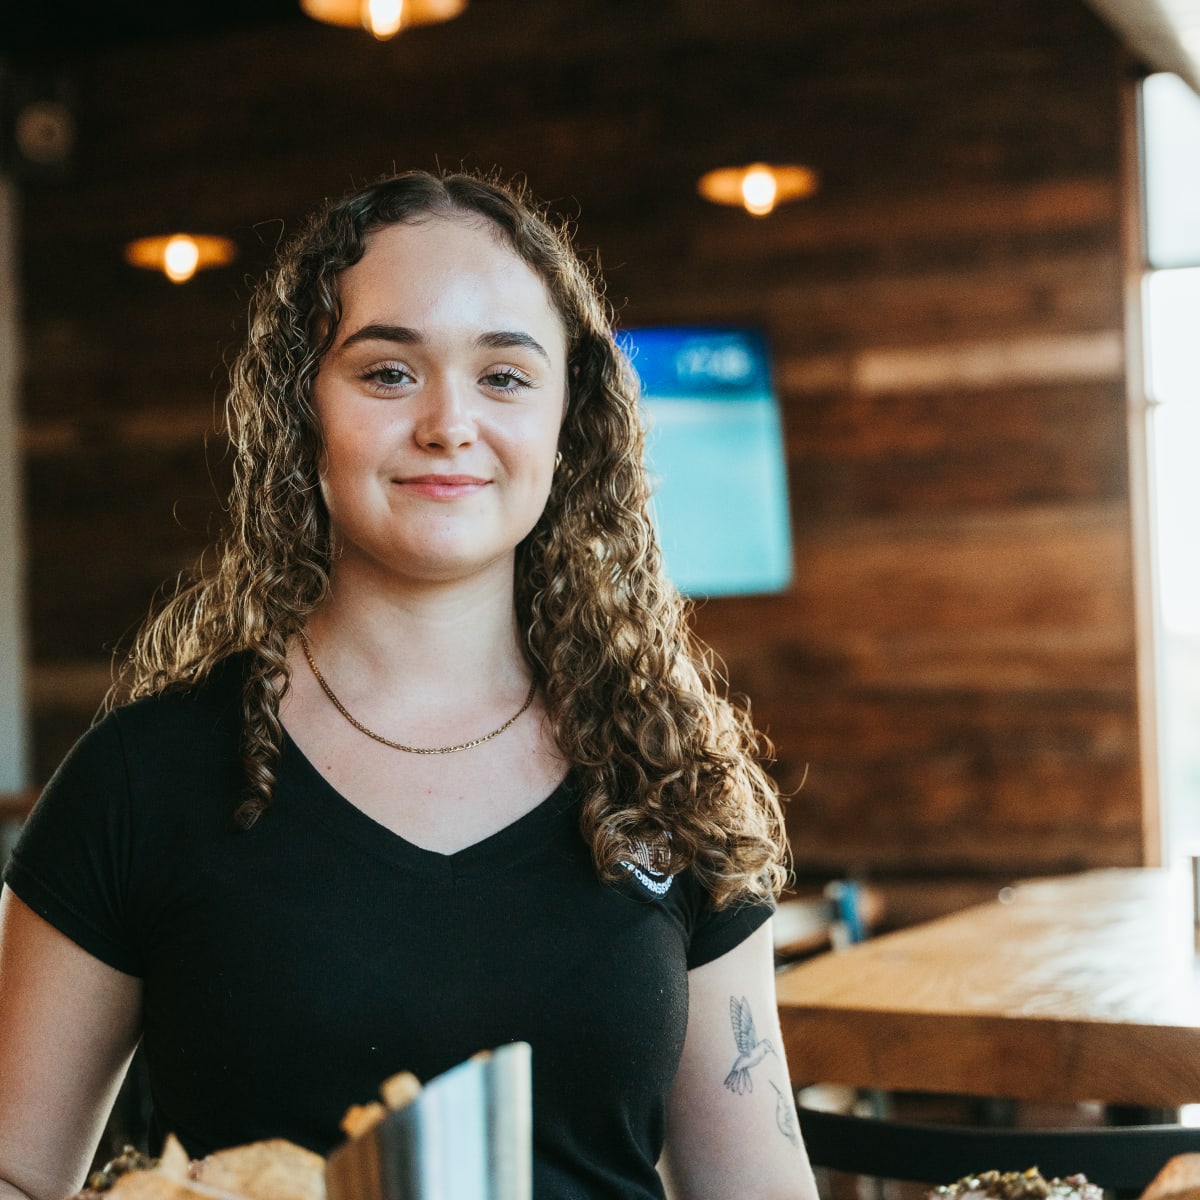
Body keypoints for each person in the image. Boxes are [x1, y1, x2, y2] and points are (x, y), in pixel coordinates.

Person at [0, 170, 817, 1200]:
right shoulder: (142, 778)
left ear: (570, 421)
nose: (448, 423)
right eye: (388, 372)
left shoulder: (667, 776)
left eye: (505, 376)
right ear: (302, 408)